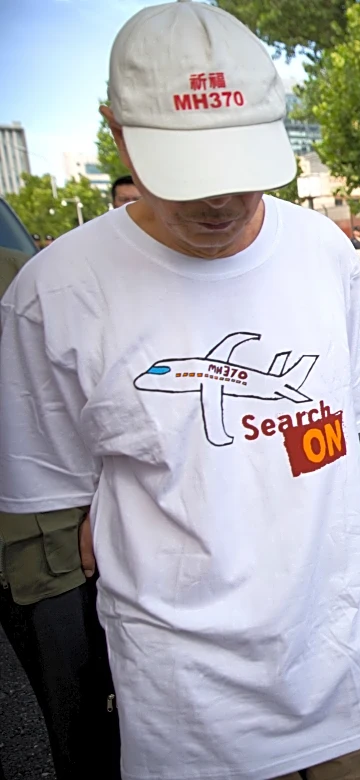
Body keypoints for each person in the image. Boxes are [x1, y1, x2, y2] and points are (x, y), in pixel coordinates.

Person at [0, 3, 360, 780]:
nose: (222, 200)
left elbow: (336, 439)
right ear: (118, 131)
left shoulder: (322, 252)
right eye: (189, 170)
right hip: (192, 718)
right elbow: (59, 507)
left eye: (242, 162)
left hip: (358, 679)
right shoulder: (51, 297)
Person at [0, 224, 120, 780]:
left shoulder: (24, 277)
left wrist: (104, 500)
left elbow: (95, 398)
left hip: (44, 542)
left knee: (87, 726)